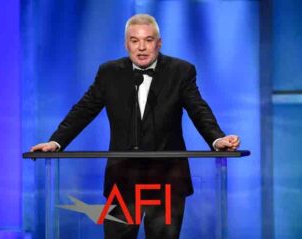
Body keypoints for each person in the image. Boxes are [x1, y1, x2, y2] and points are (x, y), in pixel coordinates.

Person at [31, 14, 240, 239]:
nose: (141, 47)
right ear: (126, 43)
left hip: (167, 181)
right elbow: (84, 109)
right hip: (123, 181)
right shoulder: (109, 73)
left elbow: (199, 109)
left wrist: (217, 139)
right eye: (134, 40)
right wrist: (56, 141)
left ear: (158, 43)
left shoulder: (181, 71)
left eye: (148, 40)